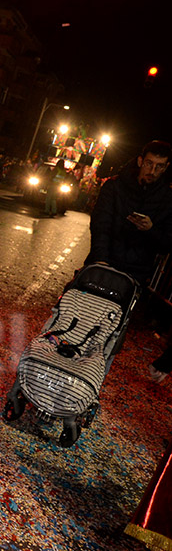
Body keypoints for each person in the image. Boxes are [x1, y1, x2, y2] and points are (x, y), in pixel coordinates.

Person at [83, 140, 172, 382]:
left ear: (166, 168)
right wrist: (100, 260)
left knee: (113, 335)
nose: (152, 171)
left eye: (160, 167)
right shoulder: (114, 186)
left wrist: (151, 229)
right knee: (82, 321)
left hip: (135, 277)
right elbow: (100, 224)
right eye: (149, 164)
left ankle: (92, 383)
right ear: (140, 160)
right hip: (102, 265)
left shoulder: (167, 199)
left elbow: (167, 243)